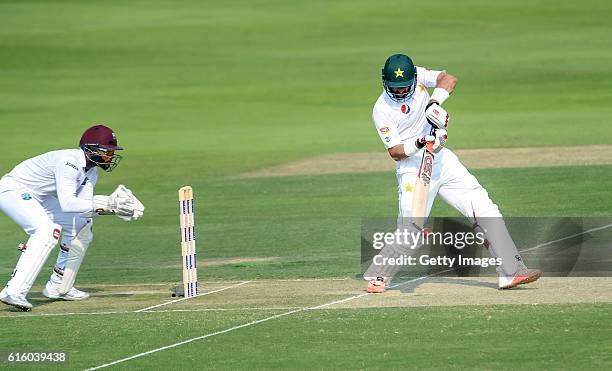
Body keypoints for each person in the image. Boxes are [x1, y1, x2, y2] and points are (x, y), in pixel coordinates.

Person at [365, 54, 541, 293]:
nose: (399, 92)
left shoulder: (418, 75)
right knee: (412, 227)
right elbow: (395, 152)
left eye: (404, 87)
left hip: (442, 160)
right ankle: (379, 276)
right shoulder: (382, 109)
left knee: (484, 206)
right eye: (395, 88)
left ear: (413, 79)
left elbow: (448, 79)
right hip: (413, 168)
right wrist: (421, 140)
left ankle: (511, 271)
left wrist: (434, 103)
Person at [0, 124, 144, 311]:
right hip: (13, 190)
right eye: (107, 152)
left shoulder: (91, 172)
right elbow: (68, 203)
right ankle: (13, 291)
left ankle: (59, 285)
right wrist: (107, 203)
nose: (110, 156)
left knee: (82, 225)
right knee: (46, 231)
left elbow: (82, 210)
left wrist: (112, 209)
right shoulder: (69, 162)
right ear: (91, 149)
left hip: (39, 197)